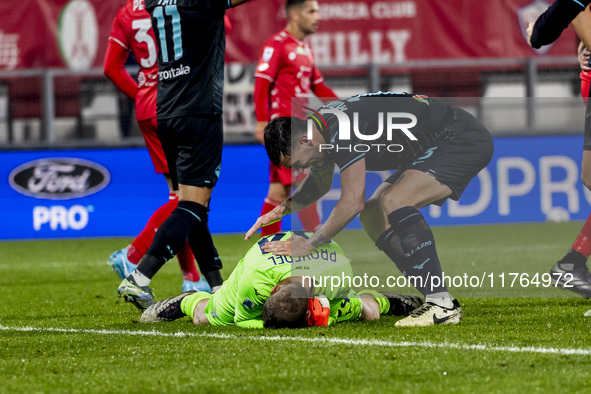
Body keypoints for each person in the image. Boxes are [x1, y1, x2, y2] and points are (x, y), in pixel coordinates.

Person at [245, 92, 494, 327]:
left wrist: (311, 244)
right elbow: (319, 185)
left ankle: (442, 303)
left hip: (459, 137)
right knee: (374, 214)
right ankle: (434, 297)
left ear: (304, 140)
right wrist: (279, 210)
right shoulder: (319, 131)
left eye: (297, 163)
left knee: (395, 200)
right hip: (432, 145)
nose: (299, 169)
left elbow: (353, 201)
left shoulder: (340, 129)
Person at [117, 0, 252, 311]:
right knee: (191, 206)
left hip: (167, 111)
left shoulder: (154, 2)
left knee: (194, 206)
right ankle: (140, 275)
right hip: (199, 110)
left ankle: (217, 285)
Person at [103, 0, 209, 293]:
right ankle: (133, 255)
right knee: (187, 199)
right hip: (175, 101)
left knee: (179, 195)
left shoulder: (127, 12)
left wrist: (140, 95)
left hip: (149, 105)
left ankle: (191, 278)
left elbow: (111, 67)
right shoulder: (176, 5)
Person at [139, 231, 423, 328]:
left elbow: (331, 303)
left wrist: (326, 316)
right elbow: (240, 319)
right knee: (206, 317)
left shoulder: (338, 277)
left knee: (369, 313)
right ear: (271, 290)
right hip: (254, 267)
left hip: (325, 262)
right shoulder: (254, 280)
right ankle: (189, 301)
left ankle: (384, 300)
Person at [254, 0, 338, 236]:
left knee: (278, 193)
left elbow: (319, 87)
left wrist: (345, 108)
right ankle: (321, 238)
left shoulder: (305, 49)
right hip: (283, 131)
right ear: (294, 14)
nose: (317, 16)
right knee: (302, 184)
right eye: (311, 11)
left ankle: (265, 248)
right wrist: (261, 121)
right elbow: (262, 82)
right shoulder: (277, 44)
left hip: (299, 130)